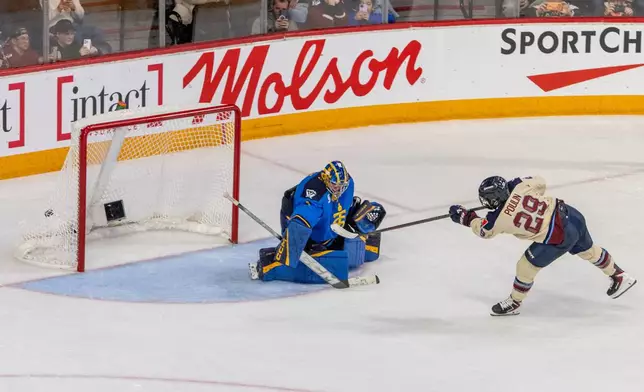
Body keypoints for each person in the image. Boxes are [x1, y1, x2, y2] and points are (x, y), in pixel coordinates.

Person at [449, 175, 637, 316]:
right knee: (588, 250)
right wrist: (516, 187)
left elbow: (484, 231)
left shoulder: (498, 219)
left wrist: (466, 217)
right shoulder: (522, 186)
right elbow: (540, 182)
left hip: (559, 237)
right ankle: (619, 275)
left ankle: (515, 302)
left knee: (525, 267)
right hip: (572, 216)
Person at [249, 161, 386, 284]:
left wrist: (353, 223)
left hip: (331, 226)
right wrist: (291, 249)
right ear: (325, 179)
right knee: (339, 265)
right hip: (309, 237)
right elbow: (300, 223)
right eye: (335, 185)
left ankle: (338, 245)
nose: (339, 190)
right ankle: (269, 264)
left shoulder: (347, 183)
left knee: (373, 214)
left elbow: (343, 203)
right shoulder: (314, 196)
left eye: (341, 186)